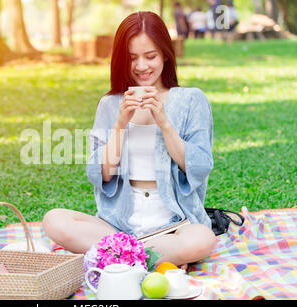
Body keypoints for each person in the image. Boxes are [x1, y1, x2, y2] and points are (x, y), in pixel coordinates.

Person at [43, 11, 216, 268]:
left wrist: (164, 123)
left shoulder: (191, 100)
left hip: (173, 225)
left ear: (166, 55)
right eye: (133, 58)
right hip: (117, 224)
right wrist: (121, 124)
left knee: (202, 239)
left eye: (151, 56)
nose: (142, 66)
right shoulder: (110, 104)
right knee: (53, 220)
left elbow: (200, 167)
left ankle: (119, 255)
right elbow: (100, 174)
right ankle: (141, 255)